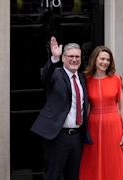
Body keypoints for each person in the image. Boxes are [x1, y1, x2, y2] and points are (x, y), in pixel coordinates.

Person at [31, 36, 91, 180]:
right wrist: (54, 59)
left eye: (77, 56)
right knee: (53, 176)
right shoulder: (56, 74)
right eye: (70, 56)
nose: (74, 59)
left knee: (73, 176)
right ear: (63, 58)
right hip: (58, 136)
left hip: (77, 137)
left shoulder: (82, 78)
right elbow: (45, 76)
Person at [79, 46, 123, 180]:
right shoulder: (86, 80)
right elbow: (85, 106)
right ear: (95, 60)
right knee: (93, 159)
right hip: (93, 125)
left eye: (108, 59)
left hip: (114, 124)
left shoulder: (117, 79)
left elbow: (122, 105)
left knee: (113, 160)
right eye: (102, 58)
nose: (105, 62)